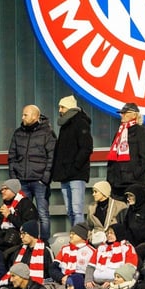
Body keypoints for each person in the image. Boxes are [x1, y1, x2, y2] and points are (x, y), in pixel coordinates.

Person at [9, 104, 57, 239]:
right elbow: (12, 156)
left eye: (26, 114)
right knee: (24, 213)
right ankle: (25, 241)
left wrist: (45, 178)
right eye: (23, 114)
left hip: (39, 181)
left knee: (42, 214)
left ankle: (44, 243)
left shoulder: (47, 133)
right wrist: (14, 179)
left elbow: (52, 156)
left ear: (35, 116)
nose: (22, 117)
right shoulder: (18, 133)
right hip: (22, 181)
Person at [54, 95, 94, 226]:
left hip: (76, 174)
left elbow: (86, 147)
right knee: (70, 210)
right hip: (66, 174)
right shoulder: (65, 125)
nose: (60, 110)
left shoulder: (80, 123)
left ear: (70, 108)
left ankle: (79, 237)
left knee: (76, 210)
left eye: (62, 107)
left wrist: (75, 166)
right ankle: (75, 235)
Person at [106, 103, 145, 198]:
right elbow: (112, 157)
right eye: (121, 113)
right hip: (116, 183)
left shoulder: (141, 132)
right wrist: (110, 177)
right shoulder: (119, 132)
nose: (122, 115)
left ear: (134, 115)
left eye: (125, 113)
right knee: (117, 211)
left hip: (133, 183)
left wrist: (134, 174)